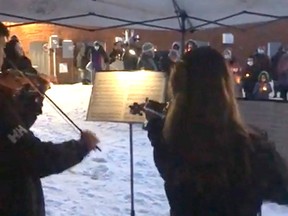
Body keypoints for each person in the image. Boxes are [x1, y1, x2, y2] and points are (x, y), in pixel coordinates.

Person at [143, 47, 288, 216]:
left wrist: (154, 123)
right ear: (225, 87)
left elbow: (163, 153)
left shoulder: (173, 144)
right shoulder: (252, 150)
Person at [0, 22, 101, 216]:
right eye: (0, 48)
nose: (4, 56)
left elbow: (14, 127)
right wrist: (80, 147)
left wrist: (35, 99)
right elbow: (34, 156)